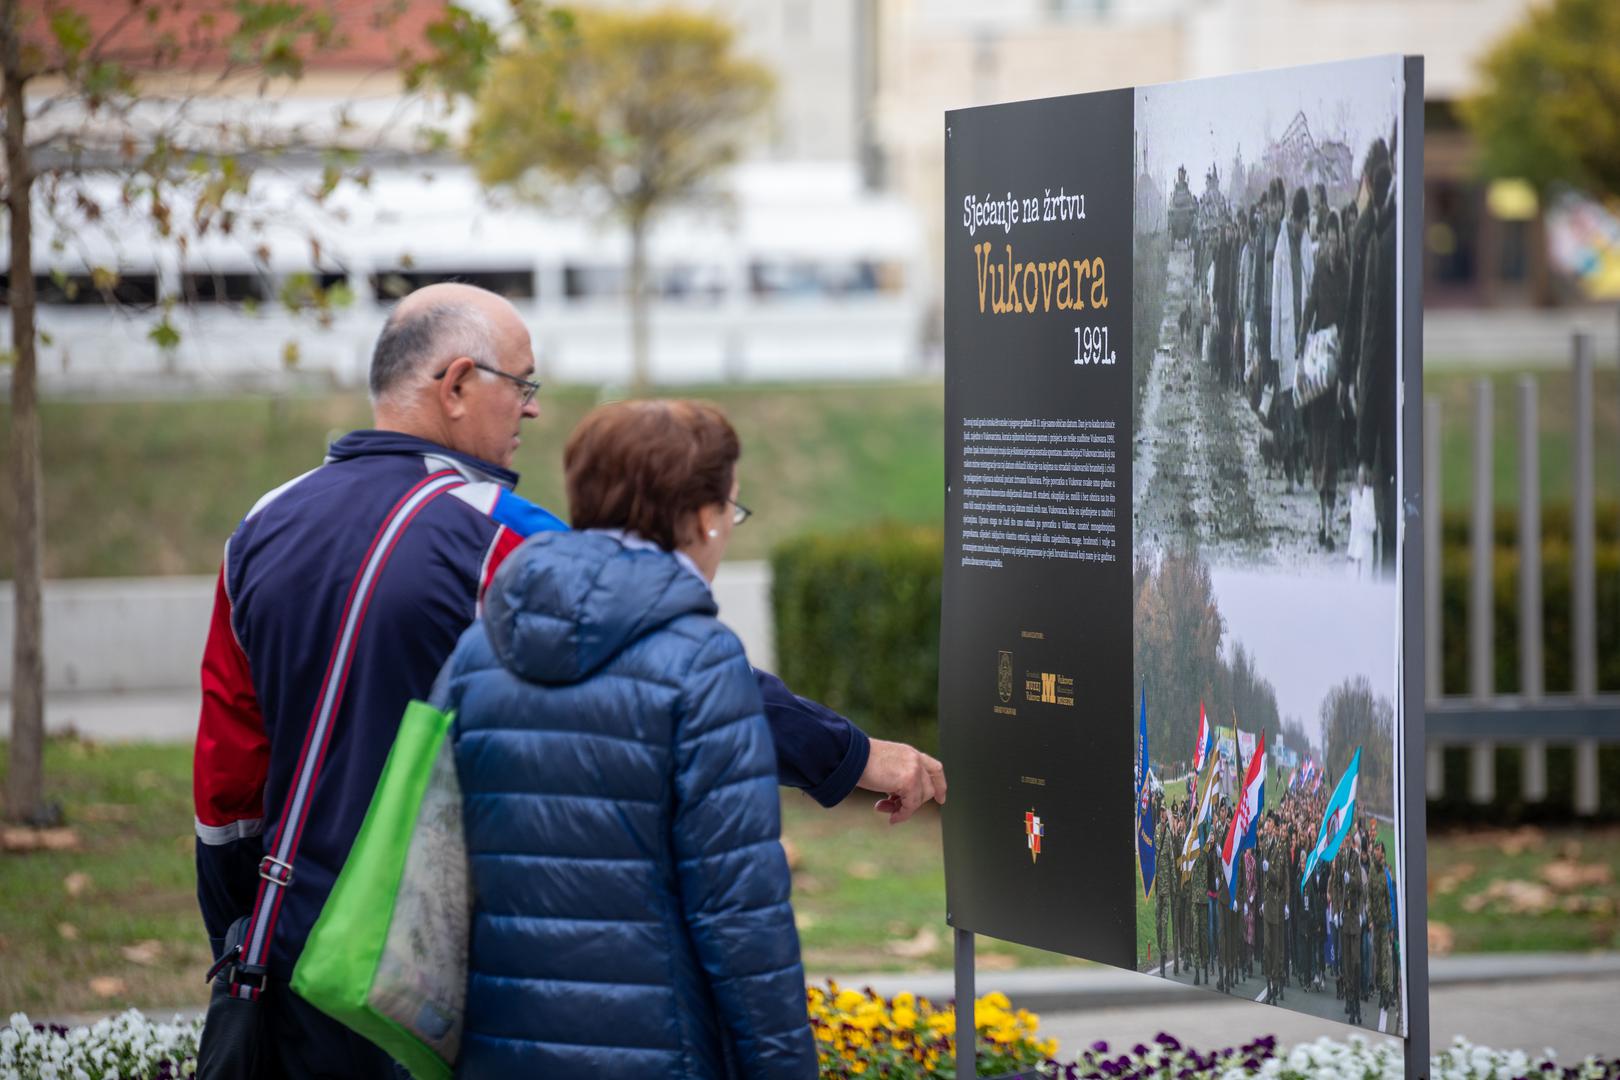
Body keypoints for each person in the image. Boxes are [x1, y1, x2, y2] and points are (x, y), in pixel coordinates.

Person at [192, 283, 945, 1075]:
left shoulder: (262, 522)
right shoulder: (493, 532)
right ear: (455, 386)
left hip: (283, 959)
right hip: (424, 968)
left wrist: (249, 928)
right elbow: (671, 661)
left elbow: (226, 786)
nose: (532, 410)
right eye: (521, 384)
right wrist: (855, 755)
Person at [435, 399, 814, 1076]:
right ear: (701, 516)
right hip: (657, 1052)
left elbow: (434, 852)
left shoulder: (478, 649)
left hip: (498, 1048)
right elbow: (739, 910)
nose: (728, 526)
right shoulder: (701, 660)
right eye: (730, 507)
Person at [1299, 210, 1349, 551]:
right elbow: (1309, 309)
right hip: (1319, 372)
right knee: (1318, 444)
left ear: (1341, 242)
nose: (1331, 246)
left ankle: (1329, 523)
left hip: (1339, 373)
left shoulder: (1347, 276)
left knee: (1333, 446)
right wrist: (1303, 343)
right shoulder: (1319, 273)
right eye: (1327, 240)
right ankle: (1321, 519)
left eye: (1335, 240)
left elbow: (1352, 317)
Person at [1270, 186, 1314, 493]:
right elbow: (1276, 300)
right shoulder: (1282, 247)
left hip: (1303, 337)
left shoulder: (1306, 243)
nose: (1303, 227)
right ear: (1295, 218)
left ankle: (1300, 464)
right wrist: (1274, 349)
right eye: (1302, 222)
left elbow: (1311, 286)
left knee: (1303, 406)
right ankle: (1289, 472)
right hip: (1286, 339)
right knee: (1287, 410)